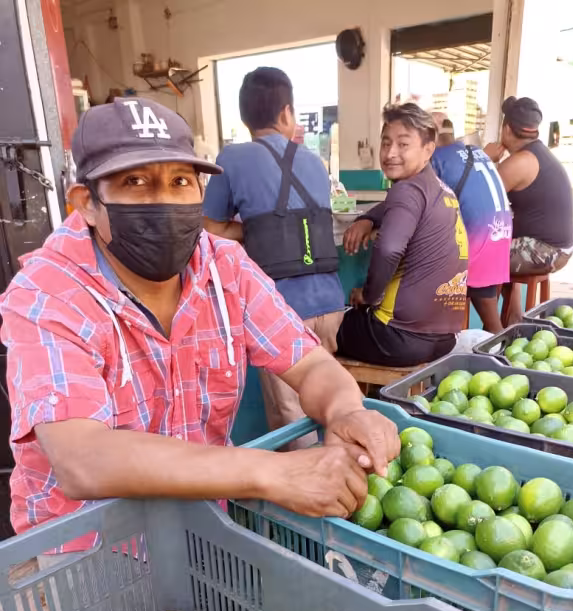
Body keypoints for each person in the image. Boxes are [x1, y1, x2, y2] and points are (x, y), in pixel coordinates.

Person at [0, 97, 399, 541]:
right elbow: (82, 458)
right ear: (86, 204)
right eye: (135, 181)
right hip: (92, 551)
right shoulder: (48, 293)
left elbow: (310, 364)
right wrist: (273, 472)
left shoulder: (225, 267)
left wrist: (347, 410)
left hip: (201, 531)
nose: (164, 200)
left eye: (180, 181)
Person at [203, 68, 344, 435]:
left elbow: (209, 229)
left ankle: (312, 474)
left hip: (281, 309)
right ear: (286, 113)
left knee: (291, 418)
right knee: (326, 404)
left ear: (244, 116)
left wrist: (254, 229)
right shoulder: (314, 161)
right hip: (331, 303)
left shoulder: (231, 158)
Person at [339, 103, 468, 367]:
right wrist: (367, 219)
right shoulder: (442, 191)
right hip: (445, 339)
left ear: (428, 149)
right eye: (386, 143)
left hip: (398, 337)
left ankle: (351, 396)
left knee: (320, 328)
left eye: (403, 144)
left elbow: (389, 249)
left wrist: (369, 295)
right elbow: (393, 206)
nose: (390, 153)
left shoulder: (407, 191)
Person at [485, 96, 573, 324]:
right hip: (559, 247)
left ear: (507, 129)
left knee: (479, 255)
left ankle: (493, 332)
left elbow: (478, 196)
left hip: (545, 251)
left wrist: (484, 159)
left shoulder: (521, 161)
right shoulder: (539, 154)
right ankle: (514, 321)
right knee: (504, 244)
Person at [431, 114, 511, 333]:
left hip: (476, 242)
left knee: (492, 326)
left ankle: (498, 348)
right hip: (500, 235)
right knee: (490, 319)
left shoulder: (436, 158)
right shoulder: (476, 152)